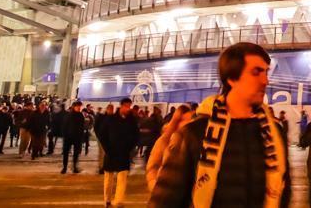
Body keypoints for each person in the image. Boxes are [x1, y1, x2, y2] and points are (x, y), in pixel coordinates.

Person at [149, 43, 290, 208]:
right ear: (231, 79)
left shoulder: (275, 133)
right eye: (256, 72)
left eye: (266, 72)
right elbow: (165, 200)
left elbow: (284, 193)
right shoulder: (193, 134)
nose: (265, 80)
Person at [96, 98, 140, 207]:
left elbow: (136, 136)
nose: (128, 108)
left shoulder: (131, 121)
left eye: (129, 106)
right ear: (121, 106)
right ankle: (107, 200)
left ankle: (119, 201)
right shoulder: (110, 119)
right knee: (108, 178)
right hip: (111, 152)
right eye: (126, 106)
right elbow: (102, 134)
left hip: (124, 153)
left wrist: (129, 148)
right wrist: (107, 149)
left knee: (122, 177)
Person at [146, 104, 192, 193]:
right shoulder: (164, 140)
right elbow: (152, 166)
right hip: (163, 192)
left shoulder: (193, 142)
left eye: (188, 121)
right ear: (176, 121)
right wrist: (154, 186)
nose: (185, 124)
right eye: (182, 120)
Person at [61, 100, 88, 174]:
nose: (79, 108)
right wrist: (65, 136)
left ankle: (75, 167)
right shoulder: (68, 115)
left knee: (76, 153)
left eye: (80, 106)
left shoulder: (80, 116)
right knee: (66, 153)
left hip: (77, 138)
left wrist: (81, 136)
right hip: (68, 137)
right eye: (78, 106)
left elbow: (82, 127)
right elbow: (64, 126)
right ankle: (64, 167)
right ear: (74, 107)